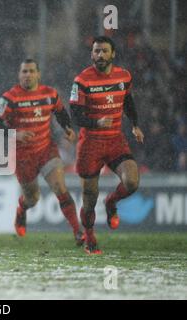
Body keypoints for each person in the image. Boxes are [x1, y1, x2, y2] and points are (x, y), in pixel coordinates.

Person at [0, 59, 83, 245]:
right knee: (32, 199)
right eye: (24, 71)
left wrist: (67, 127)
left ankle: (78, 231)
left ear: (38, 74)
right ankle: (21, 210)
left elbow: (60, 111)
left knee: (60, 188)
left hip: (46, 150)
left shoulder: (50, 94)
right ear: (19, 75)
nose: (27, 75)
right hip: (22, 156)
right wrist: (15, 134)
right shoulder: (10, 97)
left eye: (31, 71)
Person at [69, 36, 144, 255]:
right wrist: (96, 122)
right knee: (89, 199)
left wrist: (135, 125)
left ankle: (111, 203)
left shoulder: (124, 76)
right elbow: (75, 115)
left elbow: (128, 100)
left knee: (132, 182)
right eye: (96, 51)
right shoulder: (82, 81)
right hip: (90, 144)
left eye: (104, 51)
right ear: (91, 54)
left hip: (115, 141)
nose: (100, 55)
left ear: (113, 54)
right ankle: (90, 238)